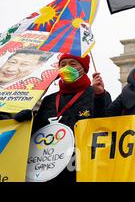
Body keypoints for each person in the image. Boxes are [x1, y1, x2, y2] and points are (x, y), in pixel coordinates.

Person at [29, 53, 112, 182]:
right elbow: (35, 133)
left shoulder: (96, 94)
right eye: (63, 64)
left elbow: (105, 127)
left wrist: (99, 96)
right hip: (48, 168)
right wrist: (27, 118)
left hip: (80, 168)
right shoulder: (49, 100)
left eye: (73, 64)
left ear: (83, 69)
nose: (67, 67)